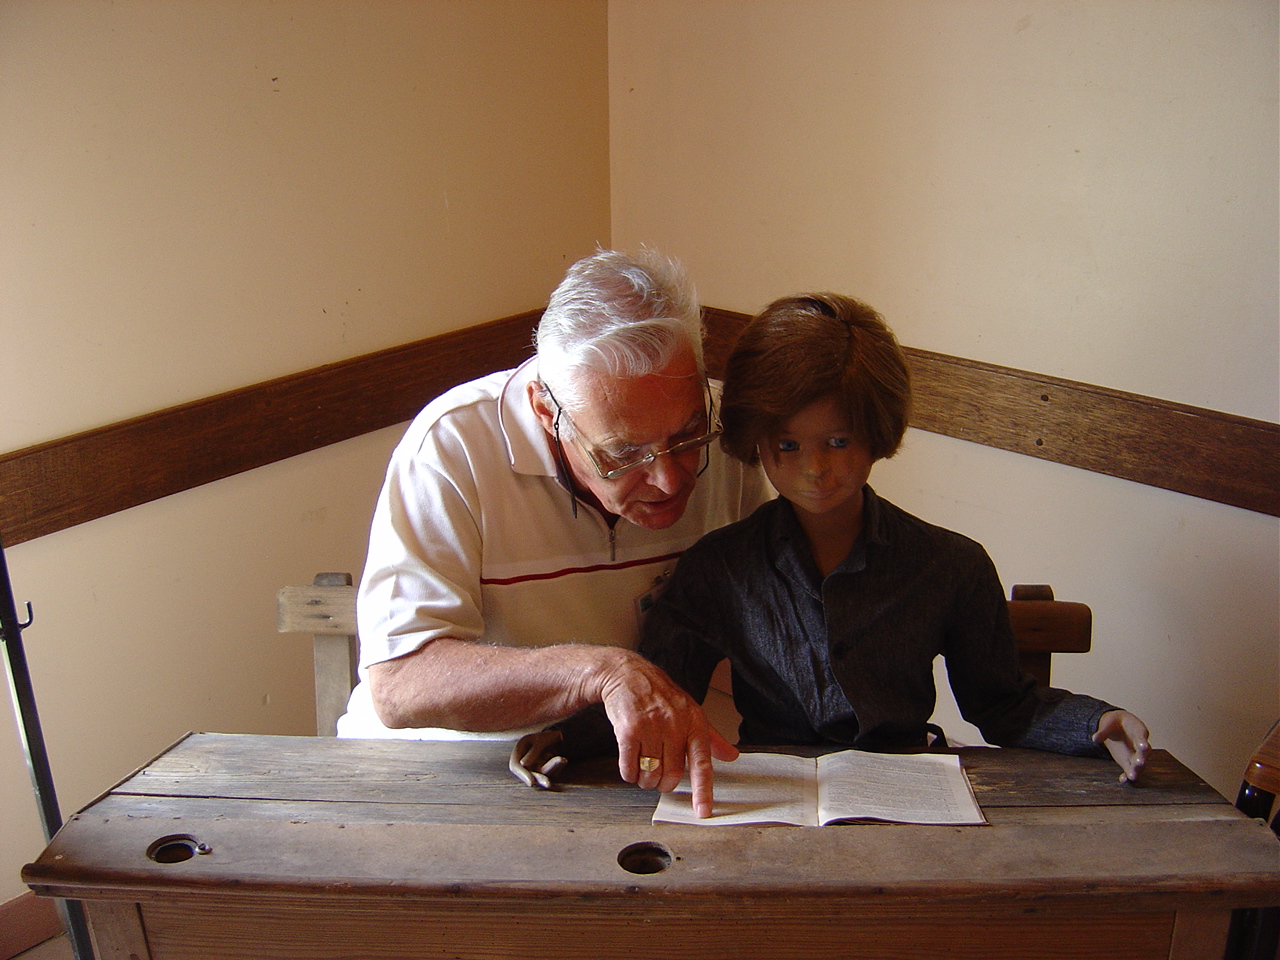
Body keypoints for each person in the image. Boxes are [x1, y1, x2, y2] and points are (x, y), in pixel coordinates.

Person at [543, 292, 1150, 812]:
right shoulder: (718, 569)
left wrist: (1094, 724)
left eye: (838, 441)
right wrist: (563, 741)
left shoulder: (950, 566)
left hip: (911, 795)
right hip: (767, 800)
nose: (816, 470)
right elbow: (662, 695)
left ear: (877, 433)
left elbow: (1002, 703)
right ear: (757, 441)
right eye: (787, 445)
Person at [336, 248, 771, 806]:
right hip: (445, 770)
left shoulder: (727, 431)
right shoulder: (452, 446)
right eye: (623, 453)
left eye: (687, 436)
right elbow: (399, 684)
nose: (667, 480)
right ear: (547, 410)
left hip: (621, 765)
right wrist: (598, 672)